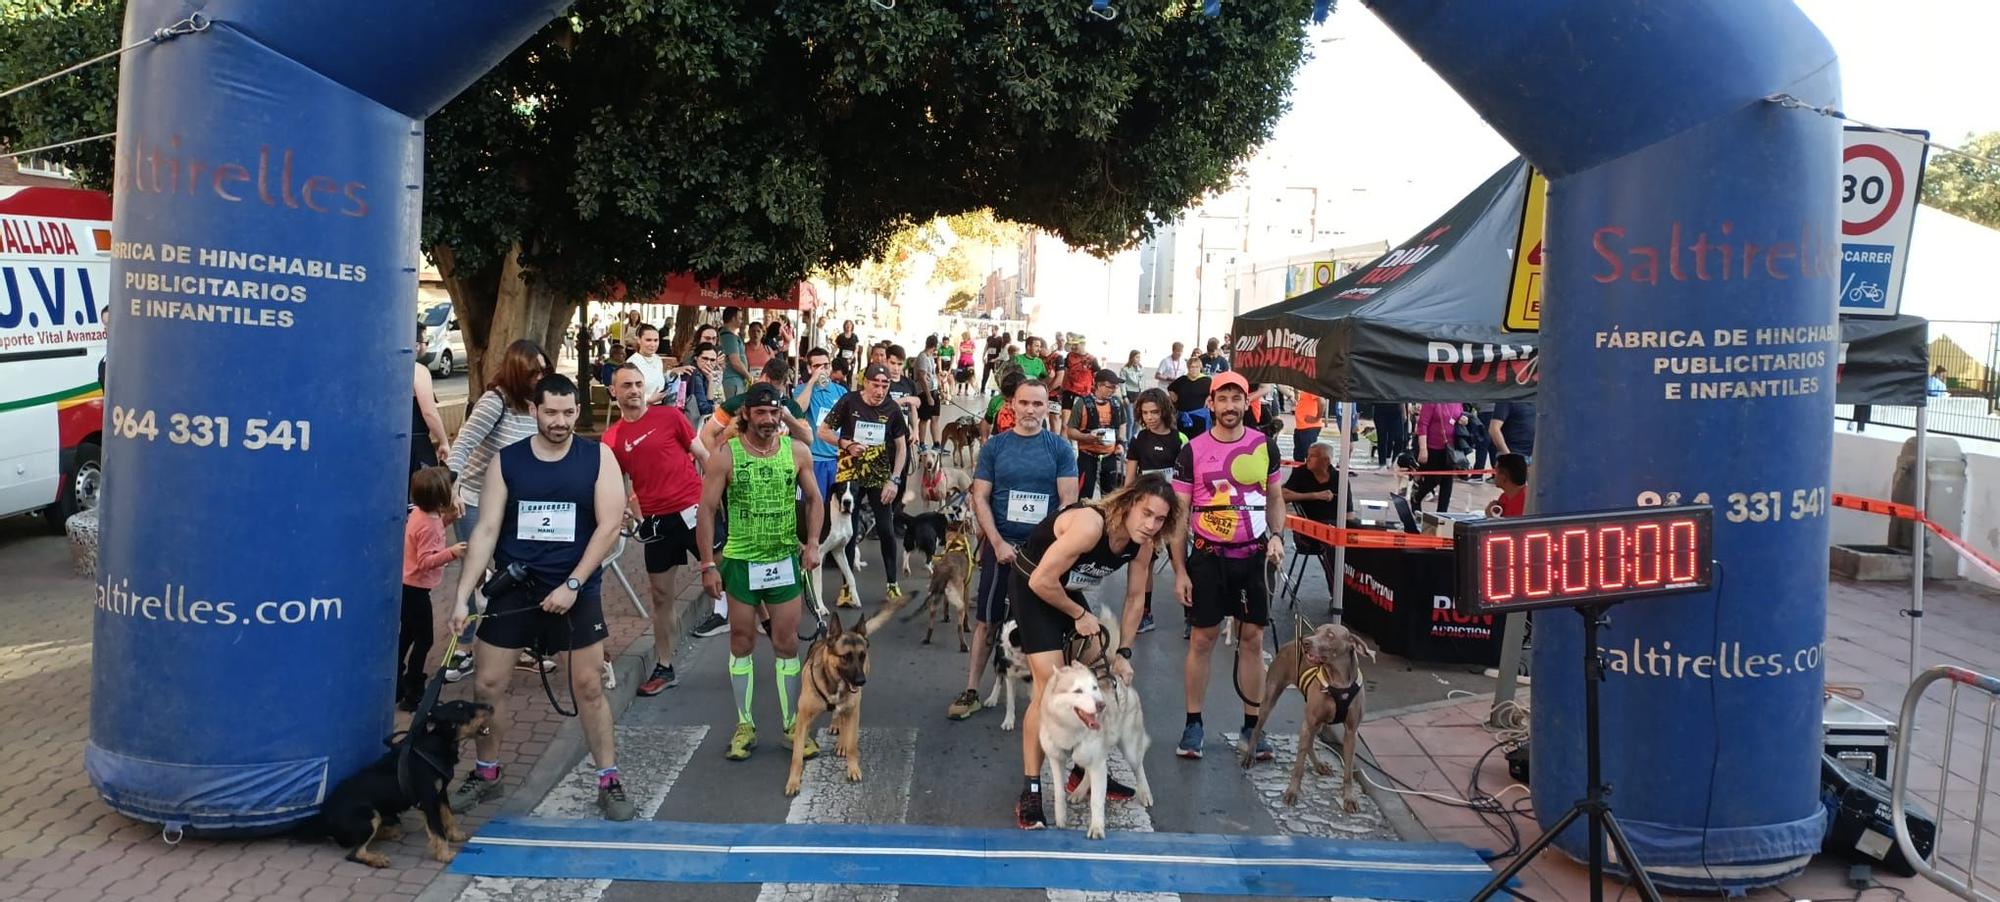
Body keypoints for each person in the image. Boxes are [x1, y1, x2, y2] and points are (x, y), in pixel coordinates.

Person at [447, 373, 635, 821]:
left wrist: (572, 585)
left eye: (569, 413)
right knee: (488, 685)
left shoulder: (597, 457)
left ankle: (609, 779)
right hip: (515, 591)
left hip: (574, 590)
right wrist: (462, 596)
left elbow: (609, 526)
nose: (560, 421)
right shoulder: (507, 461)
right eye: (551, 412)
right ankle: (487, 772)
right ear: (533, 411)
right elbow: (487, 530)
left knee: (588, 687)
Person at [1006, 477, 1181, 829]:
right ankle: (1032, 789)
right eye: (1146, 513)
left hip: (1066, 593)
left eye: (1160, 519)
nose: (1150, 525)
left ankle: (1080, 773)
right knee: (1047, 691)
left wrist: (1125, 654)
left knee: (1100, 683)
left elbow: (1135, 598)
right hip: (1033, 587)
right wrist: (1080, 615)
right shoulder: (1091, 526)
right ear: (1129, 504)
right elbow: (1041, 581)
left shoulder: (1143, 543)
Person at [696, 384, 825, 762]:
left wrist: (813, 542)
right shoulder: (726, 455)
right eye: (762, 413)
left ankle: (792, 725)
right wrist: (707, 564)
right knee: (741, 639)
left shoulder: (796, 451)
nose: (769, 420)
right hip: (740, 561)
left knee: (786, 642)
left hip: (784, 560)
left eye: (775, 412)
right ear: (747, 414)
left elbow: (815, 498)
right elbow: (706, 509)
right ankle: (745, 725)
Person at [1170, 371, 1286, 762]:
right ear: (1211, 404)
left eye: (1237, 399)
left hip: (1253, 557)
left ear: (1245, 403)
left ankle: (1253, 726)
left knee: (1252, 640)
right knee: (1203, 640)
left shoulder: (1265, 446)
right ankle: (1193, 723)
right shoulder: (1193, 450)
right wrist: (1181, 571)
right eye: (1223, 399)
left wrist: (1277, 536)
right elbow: (1180, 516)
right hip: (1207, 556)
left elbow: (1274, 498)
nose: (1230, 406)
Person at [948, 378, 1078, 722]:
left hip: (1045, 555)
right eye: (1024, 403)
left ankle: (1055, 695)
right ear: (1012, 406)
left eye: (1038, 404)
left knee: (1050, 625)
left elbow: (1068, 502)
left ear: (1047, 406)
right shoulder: (995, 447)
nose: (1031, 410)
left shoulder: (1060, 449)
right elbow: (980, 497)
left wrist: (1050, 548)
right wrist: (997, 542)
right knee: (987, 621)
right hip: (1001, 546)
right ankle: (972, 689)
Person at [442, 340, 551, 682]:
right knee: (477, 574)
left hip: (518, 504)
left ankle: (520, 644)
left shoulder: (539, 406)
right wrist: (452, 486)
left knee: (519, 573)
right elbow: (462, 446)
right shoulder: (496, 401)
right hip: (476, 499)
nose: (541, 377)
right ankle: (464, 648)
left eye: (544, 370)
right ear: (518, 372)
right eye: (534, 371)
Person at [603, 362, 710, 698]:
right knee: (661, 596)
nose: (634, 390)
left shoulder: (669, 416)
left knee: (733, 576)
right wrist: (620, 509)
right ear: (614, 392)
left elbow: (703, 454)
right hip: (657, 522)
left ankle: (768, 626)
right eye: (627, 385)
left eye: (638, 384)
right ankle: (664, 665)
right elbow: (613, 484)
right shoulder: (611, 438)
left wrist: (718, 498)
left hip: (694, 511)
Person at [817, 363, 913, 607]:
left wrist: (895, 479)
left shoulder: (891, 408)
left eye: (885, 385)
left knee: (886, 529)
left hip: (879, 476)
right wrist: (846, 444)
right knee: (848, 533)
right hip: (850, 475)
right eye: (875, 384)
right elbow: (823, 431)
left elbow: (902, 447)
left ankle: (892, 584)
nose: (880, 390)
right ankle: (847, 588)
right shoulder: (849, 402)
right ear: (865, 383)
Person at [400, 466, 466, 711]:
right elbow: (425, 561)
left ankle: (396, 682)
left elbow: (435, 532)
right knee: (424, 639)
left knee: (406, 635)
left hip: (409, 586)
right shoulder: (427, 523)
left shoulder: (424, 514)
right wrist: (453, 552)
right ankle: (414, 692)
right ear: (440, 497)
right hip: (416, 589)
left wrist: (449, 518)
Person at [1123, 388, 1181, 636]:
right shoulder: (1139, 440)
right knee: (1145, 561)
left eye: (1154, 412)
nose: (1149, 417)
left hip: (1174, 508)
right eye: (1145, 413)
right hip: (1148, 509)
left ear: (1164, 411)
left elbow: (1186, 477)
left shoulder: (1179, 439)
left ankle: (1192, 615)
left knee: (1182, 561)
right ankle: (1145, 613)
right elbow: (1129, 478)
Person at [1283, 442, 1353, 617]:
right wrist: (1314, 496)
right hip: (1306, 531)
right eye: (1308, 454)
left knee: (1348, 545)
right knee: (1331, 547)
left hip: (1334, 529)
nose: (1308, 458)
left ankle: (1353, 594)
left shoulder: (1340, 479)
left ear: (1326, 461)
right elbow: (1282, 494)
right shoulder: (1300, 473)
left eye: (1313, 455)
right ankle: (1337, 596)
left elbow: (1350, 515)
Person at [1065, 368, 1127, 499]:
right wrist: (1087, 437)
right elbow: (1070, 431)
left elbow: (1122, 424)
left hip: (1109, 456)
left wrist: (1121, 443)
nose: (1114, 390)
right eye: (1110, 387)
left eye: (1115, 387)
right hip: (1087, 456)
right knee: (1083, 497)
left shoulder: (1116, 403)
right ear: (1098, 385)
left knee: (1110, 497)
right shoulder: (1082, 403)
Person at [1412, 401, 1464, 513]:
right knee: (1433, 480)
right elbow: (1423, 424)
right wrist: (1423, 448)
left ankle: (1442, 513)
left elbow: (1459, 416)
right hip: (1432, 448)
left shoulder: (1458, 401)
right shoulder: (1433, 401)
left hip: (1450, 449)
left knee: (1447, 482)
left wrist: (1463, 419)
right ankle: (1417, 497)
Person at [412, 323, 449, 473]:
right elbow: (429, 412)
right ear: (416, 345)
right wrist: (444, 441)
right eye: (425, 342)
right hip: (416, 441)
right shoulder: (418, 371)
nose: (426, 347)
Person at [629, 324, 670, 406]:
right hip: (638, 411)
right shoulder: (631, 364)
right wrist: (648, 400)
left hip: (658, 409)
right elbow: (626, 395)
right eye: (648, 340)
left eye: (656, 340)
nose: (653, 344)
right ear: (639, 340)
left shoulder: (658, 359)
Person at [1486, 399, 1535, 464]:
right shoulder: (1507, 400)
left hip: (1533, 457)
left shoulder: (1538, 401)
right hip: (1513, 454)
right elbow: (1494, 429)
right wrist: (1508, 455)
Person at [1167, 369, 1211, 437]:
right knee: (1183, 439)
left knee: (1199, 439)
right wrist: (1174, 398)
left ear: (1200, 368)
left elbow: (1215, 390)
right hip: (1183, 417)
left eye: (1196, 367)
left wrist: (1209, 398)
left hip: (1200, 417)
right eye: (1192, 367)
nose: (1194, 369)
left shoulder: (1207, 380)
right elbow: (1170, 388)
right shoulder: (1182, 379)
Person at [719, 308, 752, 399]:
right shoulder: (728, 337)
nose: (741, 321)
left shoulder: (730, 335)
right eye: (740, 318)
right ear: (733, 318)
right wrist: (749, 377)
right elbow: (735, 361)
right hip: (732, 380)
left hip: (736, 380)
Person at [1488, 453, 1529, 518]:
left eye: (1496, 472)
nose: (1494, 476)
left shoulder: (1526, 502)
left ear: (1503, 477)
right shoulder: (1504, 496)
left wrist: (1491, 518)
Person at [1291, 392, 1325, 464]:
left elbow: (1322, 401)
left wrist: (1317, 418)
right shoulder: (1305, 386)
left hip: (1309, 427)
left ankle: (1309, 474)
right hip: (1301, 426)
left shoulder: (1311, 385)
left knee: (1309, 455)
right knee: (1298, 455)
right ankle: (1300, 473)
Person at [982, 326, 1008, 394]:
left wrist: (997, 359)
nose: (992, 332)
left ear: (997, 330)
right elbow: (986, 347)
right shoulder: (989, 338)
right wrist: (983, 356)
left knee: (994, 376)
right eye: (991, 330)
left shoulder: (1000, 339)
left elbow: (1002, 350)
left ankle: (992, 391)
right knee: (985, 374)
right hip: (989, 359)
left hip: (995, 360)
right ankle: (982, 389)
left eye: (993, 330)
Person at [956, 331, 978, 396]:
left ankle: (966, 390)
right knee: (959, 375)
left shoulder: (972, 343)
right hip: (961, 362)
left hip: (969, 362)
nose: (962, 338)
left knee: (968, 376)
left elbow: (972, 351)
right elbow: (961, 350)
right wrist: (968, 350)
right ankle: (959, 390)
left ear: (966, 336)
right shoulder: (961, 343)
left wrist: (965, 350)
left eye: (963, 337)